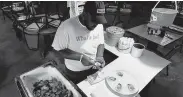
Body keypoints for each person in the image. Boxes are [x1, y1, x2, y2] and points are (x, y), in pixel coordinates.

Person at [52, 1, 107, 84]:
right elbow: (57, 51)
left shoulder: (99, 25)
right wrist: (80, 57)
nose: (96, 24)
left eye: (98, 21)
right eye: (93, 20)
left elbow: (101, 42)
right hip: (75, 72)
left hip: (93, 69)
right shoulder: (66, 27)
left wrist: (100, 56)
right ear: (84, 13)